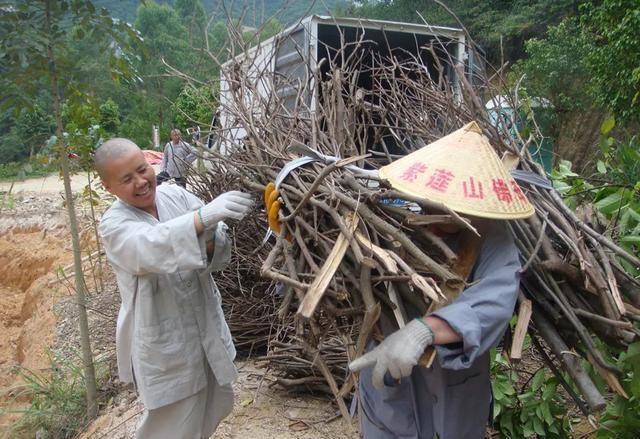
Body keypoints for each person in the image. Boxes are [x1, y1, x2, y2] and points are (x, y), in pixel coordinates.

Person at [349, 122, 534, 438]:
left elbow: (495, 302)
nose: (433, 221)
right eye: (429, 205)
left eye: (447, 215)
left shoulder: (492, 237)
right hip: (388, 380)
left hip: (452, 388)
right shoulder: (392, 214)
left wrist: (423, 332)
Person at [94, 138, 253, 439]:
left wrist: (208, 234)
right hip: (165, 338)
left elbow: (215, 244)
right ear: (108, 187)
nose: (141, 182)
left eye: (142, 170)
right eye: (127, 179)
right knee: (172, 422)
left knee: (216, 402)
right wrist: (200, 219)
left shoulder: (174, 195)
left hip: (203, 324)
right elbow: (148, 246)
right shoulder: (114, 224)